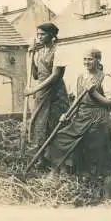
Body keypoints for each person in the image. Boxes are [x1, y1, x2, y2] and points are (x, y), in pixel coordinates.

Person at [46, 48, 111, 200]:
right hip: (80, 118)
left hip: (98, 120)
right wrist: (67, 115)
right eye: (85, 59)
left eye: (90, 59)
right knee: (59, 139)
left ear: (98, 60)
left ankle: (108, 197)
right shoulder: (80, 78)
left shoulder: (105, 78)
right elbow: (75, 102)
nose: (87, 62)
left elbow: (110, 104)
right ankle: (56, 176)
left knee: (102, 157)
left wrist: (94, 92)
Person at [24, 22, 69, 169]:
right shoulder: (39, 52)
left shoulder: (58, 51)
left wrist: (34, 90)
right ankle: (42, 160)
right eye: (38, 34)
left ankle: (59, 163)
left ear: (51, 35)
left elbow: (55, 76)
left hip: (55, 93)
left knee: (55, 125)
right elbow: (36, 75)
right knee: (39, 124)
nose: (39, 37)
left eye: (42, 34)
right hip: (41, 93)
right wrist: (30, 59)